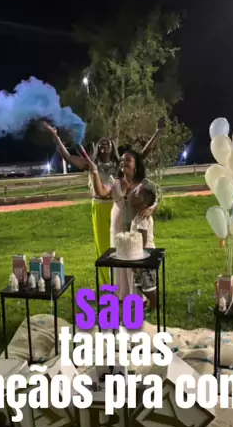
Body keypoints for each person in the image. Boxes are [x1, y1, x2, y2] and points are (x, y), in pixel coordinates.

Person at [43, 121, 162, 286]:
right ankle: (110, 284)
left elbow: (141, 155)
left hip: (118, 206)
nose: (104, 145)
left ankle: (133, 285)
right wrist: (55, 136)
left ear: (113, 147)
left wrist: (157, 133)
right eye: (101, 143)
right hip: (100, 206)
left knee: (126, 246)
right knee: (106, 248)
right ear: (97, 148)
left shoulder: (120, 165)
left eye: (107, 143)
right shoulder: (91, 164)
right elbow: (67, 157)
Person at [79, 145, 156, 301]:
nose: (123, 162)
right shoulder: (115, 183)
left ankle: (142, 298)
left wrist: (149, 210)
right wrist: (95, 172)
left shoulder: (144, 183)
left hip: (137, 230)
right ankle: (123, 296)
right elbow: (100, 192)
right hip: (118, 230)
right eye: (122, 160)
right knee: (120, 261)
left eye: (128, 160)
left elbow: (154, 202)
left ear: (136, 165)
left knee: (137, 261)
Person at [129, 182, 157, 310]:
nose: (135, 195)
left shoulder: (142, 218)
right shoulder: (139, 215)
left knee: (147, 283)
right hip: (139, 253)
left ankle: (154, 304)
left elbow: (143, 240)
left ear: (144, 204)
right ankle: (151, 302)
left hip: (145, 254)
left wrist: (139, 259)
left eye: (138, 194)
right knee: (139, 282)